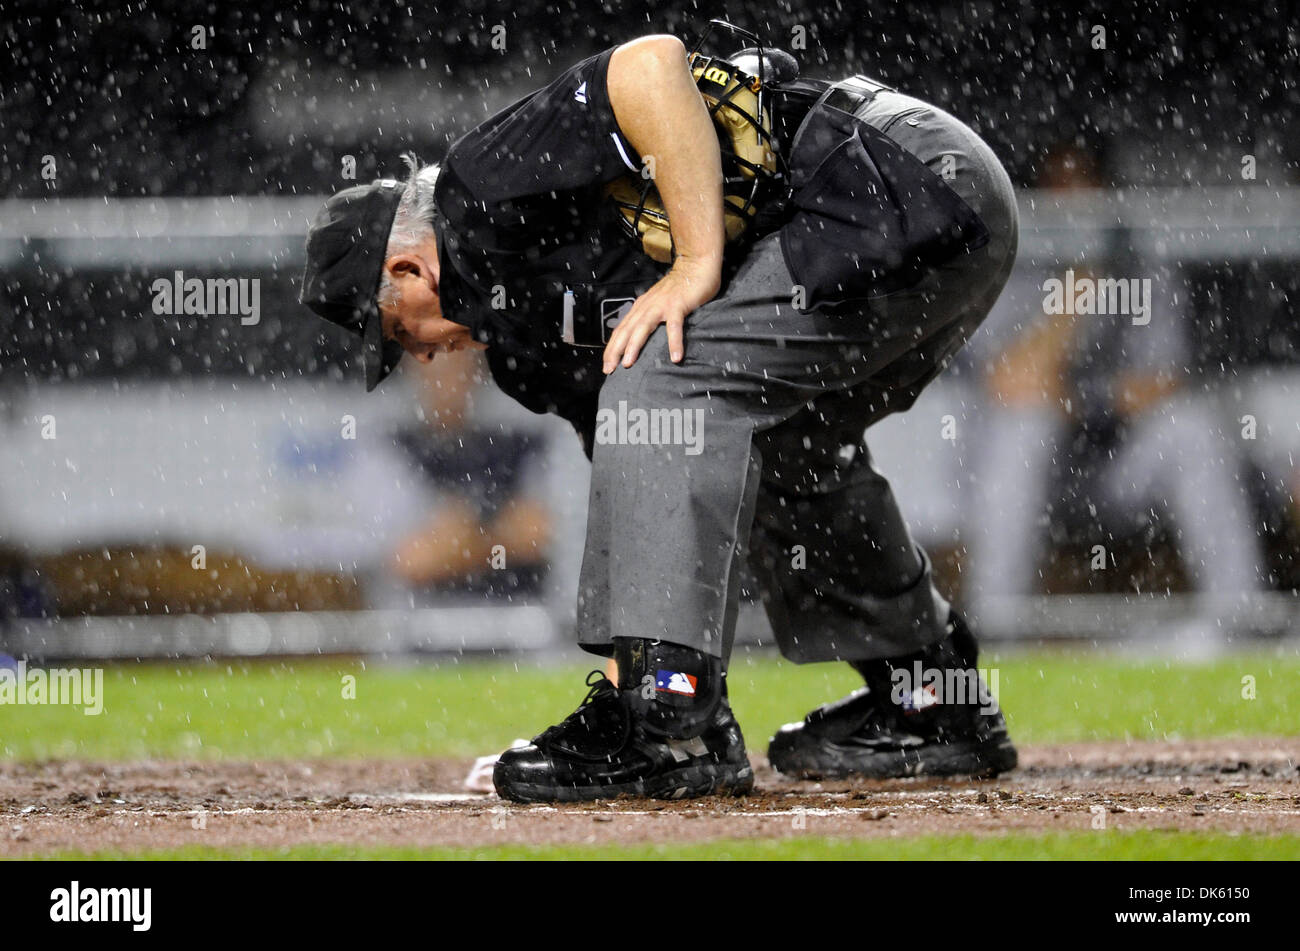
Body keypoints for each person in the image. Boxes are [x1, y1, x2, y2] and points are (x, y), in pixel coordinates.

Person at [300, 30, 1020, 802]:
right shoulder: (519, 350)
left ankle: (672, 727)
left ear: (408, 267)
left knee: (665, 382)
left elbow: (651, 64)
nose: (421, 353)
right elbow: (645, 487)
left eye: (400, 331)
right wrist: (620, 685)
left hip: (893, 174)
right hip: (919, 223)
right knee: (769, 445)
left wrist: (695, 264)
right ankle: (932, 698)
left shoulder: (476, 189)